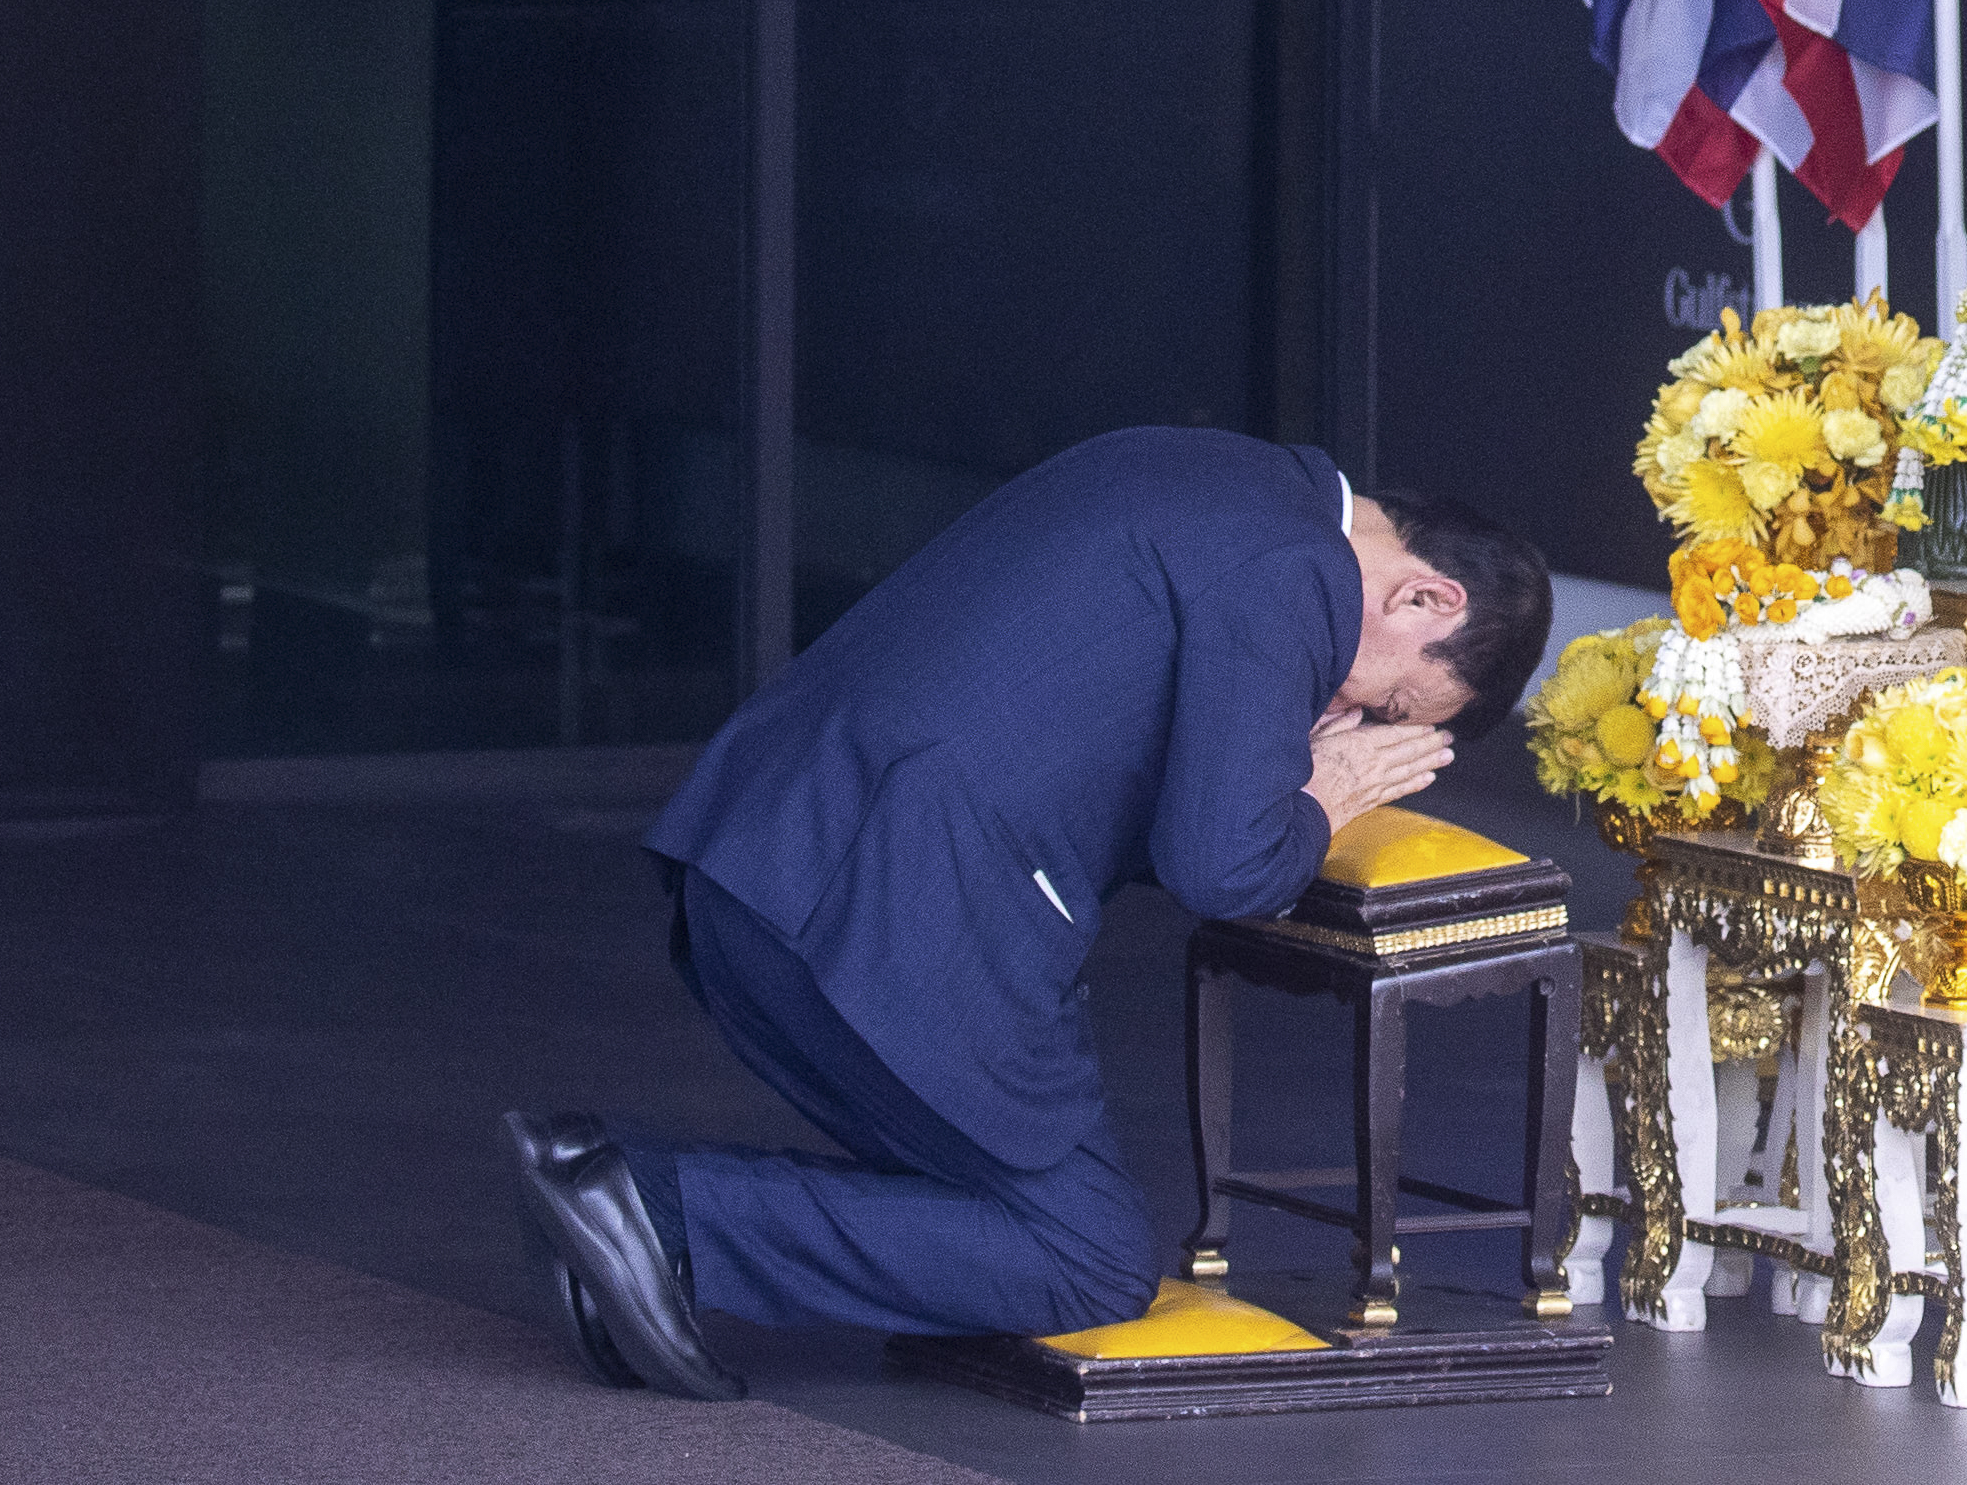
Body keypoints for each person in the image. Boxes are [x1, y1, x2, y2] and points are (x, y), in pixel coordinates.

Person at [502, 429, 1554, 1397]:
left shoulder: (1202, 469)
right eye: (1392, 703)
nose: (1353, 715)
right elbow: (1222, 868)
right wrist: (1323, 794)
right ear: (1427, 601)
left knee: (983, 1196)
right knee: (1081, 1255)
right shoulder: (1296, 573)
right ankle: (653, 1201)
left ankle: (627, 1238)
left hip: (756, 861)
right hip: (890, 917)